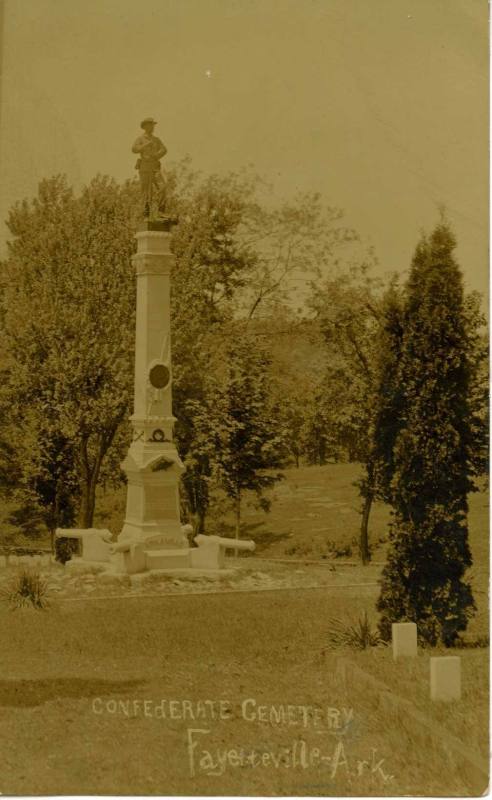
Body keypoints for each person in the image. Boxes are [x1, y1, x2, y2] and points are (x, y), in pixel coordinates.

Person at [132, 117, 168, 216]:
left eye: (153, 125)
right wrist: (145, 145)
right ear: (145, 126)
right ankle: (146, 214)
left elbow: (164, 149)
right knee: (146, 192)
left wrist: (156, 155)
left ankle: (161, 211)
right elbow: (134, 149)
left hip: (155, 167)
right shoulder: (140, 139)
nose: (152, 127)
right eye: (150, 125)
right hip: (144, 167)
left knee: (163, 187)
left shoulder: (156, 139)